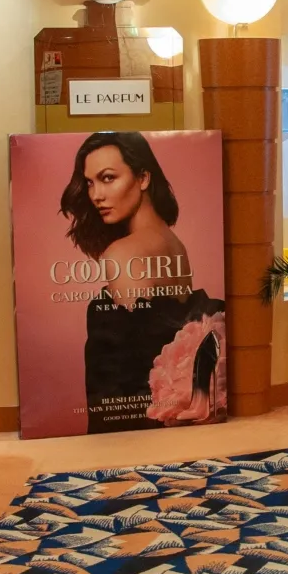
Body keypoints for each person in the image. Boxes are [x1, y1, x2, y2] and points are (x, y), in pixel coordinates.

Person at [59, 132, 224, 432]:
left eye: (108, 178)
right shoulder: (174, 245)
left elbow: (127, 366)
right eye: (90, 183)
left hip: (137, 427)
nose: (96, 195)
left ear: (143, 178)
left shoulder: (123, 253)